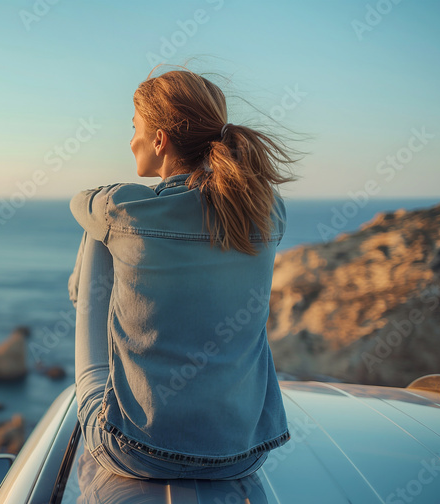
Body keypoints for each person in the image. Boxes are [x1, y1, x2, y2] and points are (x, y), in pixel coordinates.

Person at [69, 68, 298, 480]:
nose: (131, 138)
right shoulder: (268, 209)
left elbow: (80, 202)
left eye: (134, 127)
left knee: (98, 236)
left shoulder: (126, 210)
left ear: (159, 139)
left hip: (136, 450)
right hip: (244, 454)